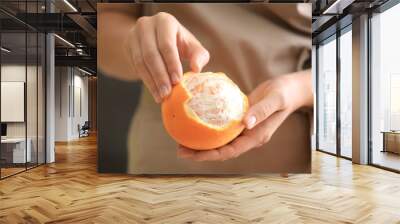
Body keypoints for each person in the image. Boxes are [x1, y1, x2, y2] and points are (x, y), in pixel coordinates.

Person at [98, 3, 313, 174]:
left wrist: (301, 88)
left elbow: (344, 45)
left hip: (284, 170)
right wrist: (138, 47)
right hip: (166, 166)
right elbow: (107, 21)